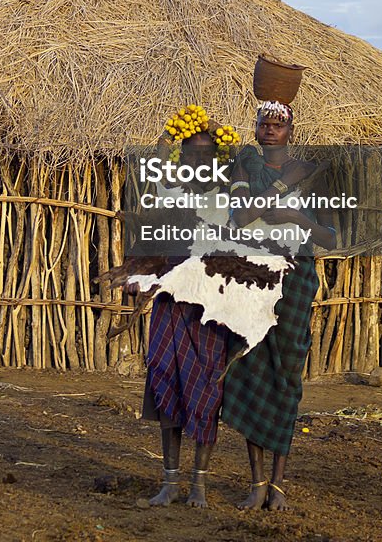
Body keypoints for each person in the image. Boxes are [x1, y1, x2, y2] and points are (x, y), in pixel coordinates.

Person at [220, 100, 335, 512]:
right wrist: (281, 190)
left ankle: (280, 484)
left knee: (287, 374)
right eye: (263, 124)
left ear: (291, 130)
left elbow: (329, 237)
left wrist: (299, 220)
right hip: (252, 277)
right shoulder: (244, 169)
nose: (270, 130)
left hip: (297, 279)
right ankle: (257, 481)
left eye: (278, 125)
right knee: (251, 370)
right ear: (254, 129)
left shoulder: (311, 175)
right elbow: (240, 219)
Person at [139, 126, 233, 508]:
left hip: (208, 310)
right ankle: (170, 483)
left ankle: (199, 486)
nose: (198, 161)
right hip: (169, 306)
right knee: (167, 388)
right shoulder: (169, 194)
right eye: (190, 154)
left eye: (204, 155)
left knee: (205, 393)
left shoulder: (226, 200)